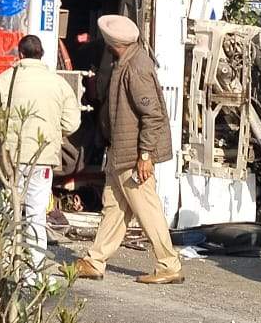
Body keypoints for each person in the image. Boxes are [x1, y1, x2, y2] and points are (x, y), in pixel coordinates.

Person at [74, 15, 183, 285]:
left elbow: (153, 115)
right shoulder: (127, 61)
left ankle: (169, 264)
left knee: (146, 208)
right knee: (114, 207)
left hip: (133, 154)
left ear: (112, 44)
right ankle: (95, 260)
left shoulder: (135, 68)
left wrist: (145, 155)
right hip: (122, 151)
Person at [0, 34, 82, 279]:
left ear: (20, 55)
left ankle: (5, 266)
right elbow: (72, 122)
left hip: (10, 157)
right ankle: (33, 274)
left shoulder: (4, 80)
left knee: (8, 210)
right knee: (36, 213)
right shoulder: (58, 83)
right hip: (43, 157)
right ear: (42, 55)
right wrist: (54, 131)